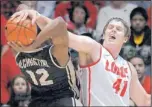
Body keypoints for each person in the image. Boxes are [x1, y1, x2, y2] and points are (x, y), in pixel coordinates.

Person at [9, 9, 151, 106]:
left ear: (126, 38)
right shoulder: (93, 48)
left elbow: (144, 100)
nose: (113, 30)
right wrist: (37, 15)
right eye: (110, 27)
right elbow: (62, 33)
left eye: (118, 29)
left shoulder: (128, 67)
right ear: (103, 34)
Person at [6, 9, 82, 107]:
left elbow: (60, 23)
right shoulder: (56, 53)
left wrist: (27, 11)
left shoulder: (17, 52)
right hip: (62, 100)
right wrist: (32, 13)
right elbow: (60, 23)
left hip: (44, 101)